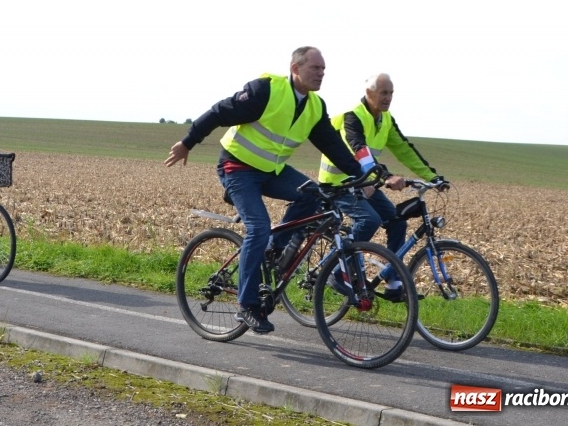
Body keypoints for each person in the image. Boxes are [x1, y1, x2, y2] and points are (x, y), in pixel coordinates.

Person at [165, 46, 365, 334]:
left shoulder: (314, 106)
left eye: (323, 69)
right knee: (258, 227)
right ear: (295, 68)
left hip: (272, 171)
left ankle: (274, 248)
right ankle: (247, 305)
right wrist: (187, 142)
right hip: (237, 168)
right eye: (315, 68)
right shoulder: (266, 90)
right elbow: (219, 112)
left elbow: (333, 146)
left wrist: (362, 174)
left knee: (314, 195)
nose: (321, 73)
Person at [318, 72, 448, 299]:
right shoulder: (352, 117)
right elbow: (358, 149)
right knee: (369, 220)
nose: (388, 98)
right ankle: (335, 270)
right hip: (338, 184)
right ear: (369, 93)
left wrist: (433, 177)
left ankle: (393, 281)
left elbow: (404, 149)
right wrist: (386, 176)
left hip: (364, 182)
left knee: (397, 221)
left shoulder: (385, 120)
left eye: (391, 93)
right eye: (383, 93)